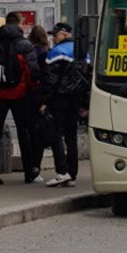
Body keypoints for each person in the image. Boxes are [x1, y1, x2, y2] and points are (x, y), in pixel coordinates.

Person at [0, 12, 39, 185]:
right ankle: (29, 172)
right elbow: (32, 73)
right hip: (19, 95)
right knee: (23, 132)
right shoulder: (25, 45)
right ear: (19, 23)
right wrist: (29, 90)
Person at [41, 22, 83, 187]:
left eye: (56, 34)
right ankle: (72, 173)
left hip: (59, 98)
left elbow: (50, 80)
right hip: (76, 98)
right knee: (71, 136)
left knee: (56, 134)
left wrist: (44, 101)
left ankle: (62, 171)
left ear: (64, 34)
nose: (54, 37)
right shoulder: (81, 51)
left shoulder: (56, 52)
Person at [22, 25, 53, 183]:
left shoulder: (26, 52)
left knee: (27, 133)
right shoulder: (44, 53)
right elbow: (47, 78)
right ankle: (35, 168)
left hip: (24, 97)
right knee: (38, 136)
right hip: (38, 97)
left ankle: (29, 168)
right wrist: (45, 101)